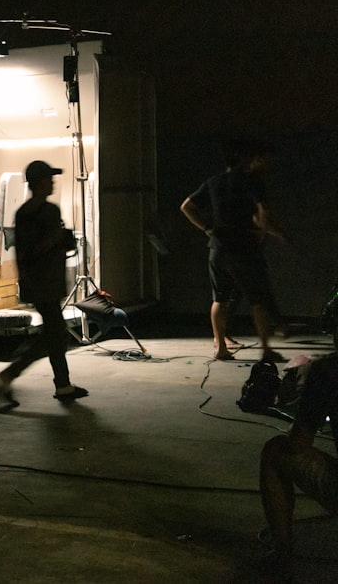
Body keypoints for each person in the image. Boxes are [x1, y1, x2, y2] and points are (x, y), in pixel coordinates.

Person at [180, 139, 287, 363]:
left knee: (219, 299)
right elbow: (261, 217)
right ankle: (266, 349)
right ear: (243, 158)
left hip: (218, 248)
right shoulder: (252, 182)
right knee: (257, 300)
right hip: (244, 247)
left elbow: (186, 206)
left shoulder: (213, 182)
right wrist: (272, 233)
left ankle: (220, 349)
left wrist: (207, 227)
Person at [0, 160, 88, 406]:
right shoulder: (47, 211)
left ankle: (63, 385)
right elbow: (45, 245)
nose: (53, 182)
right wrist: (58, 238)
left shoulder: (23, 212)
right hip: (46, 281)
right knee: (54, 334)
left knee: (54, 333)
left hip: (37, 281)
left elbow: (25, 250)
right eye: (49, 178)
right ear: (38, 182)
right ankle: (10, 374)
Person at [259, 352, 338, 578]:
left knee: (276, 451)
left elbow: (297, 442)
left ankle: (282, 556)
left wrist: (303, 393)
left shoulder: (328, 369)